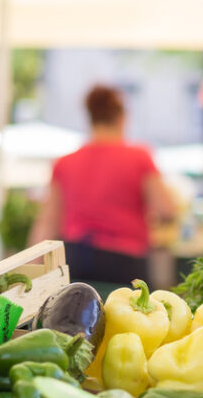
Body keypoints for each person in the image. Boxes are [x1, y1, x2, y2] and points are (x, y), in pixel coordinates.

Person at [31, 85, 176, 284]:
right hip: (125, 261)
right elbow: (167, 210)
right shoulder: (139, 157)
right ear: (121, 118)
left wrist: (32, 270)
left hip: (76, 258)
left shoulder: (65, 163)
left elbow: (48, 221)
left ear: (90, 118)